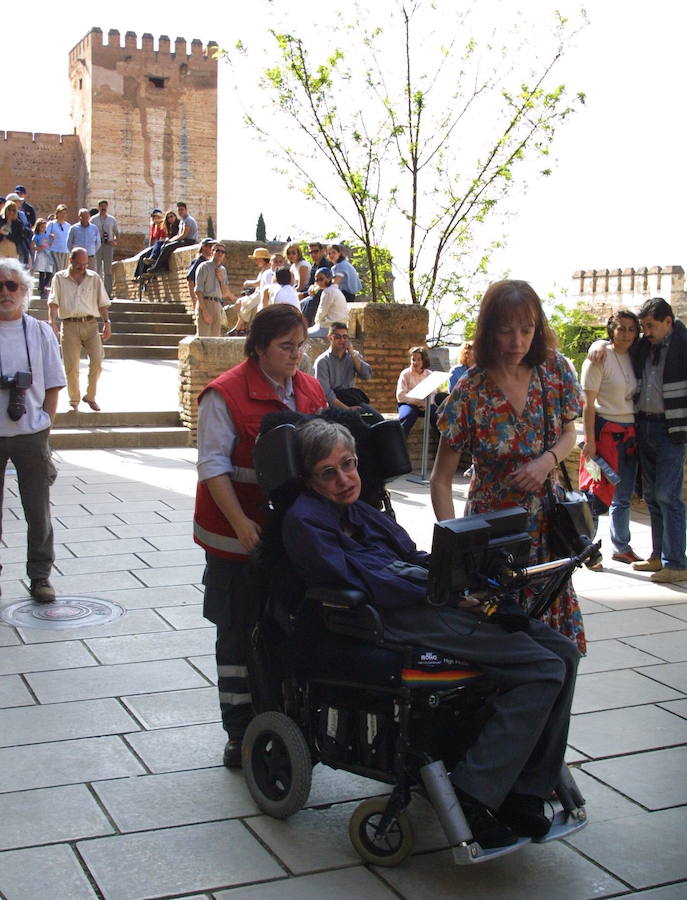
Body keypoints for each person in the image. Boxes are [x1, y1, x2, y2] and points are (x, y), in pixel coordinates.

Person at [282, 417, 579, 849]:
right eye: (329, 472)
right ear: (310, 480)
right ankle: (474, 793)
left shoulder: (360, 509)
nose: (345, 478)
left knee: (564, 652)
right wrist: (449, 594)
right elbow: (369, 581)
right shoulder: (304, 521)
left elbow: (410, 554)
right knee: (543, 668)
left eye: (349, 464)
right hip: (393, 615)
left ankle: (526, 789)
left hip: (430, 599)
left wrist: (467, 579)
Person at [193, 304, 327, 768]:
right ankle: (239, 730)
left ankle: (284, 718)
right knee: (236, 635)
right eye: (286, 347)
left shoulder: (310, 389)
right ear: (259, 348)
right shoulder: (224, 394)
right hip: (236, 541)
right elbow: (213, 465)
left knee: (284, 628)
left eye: (301, 345)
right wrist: (240, 523)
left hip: (291, 540)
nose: (297, 355)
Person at [430, 280, 586, 654]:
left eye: (527, 329)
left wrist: (546, 462)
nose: (518, 341)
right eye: (506, 330)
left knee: (556, 648)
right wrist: (457, 553)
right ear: (488, 331)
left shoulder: (554, 370)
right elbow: (440, 479)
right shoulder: (472, 390)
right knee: (501, 647)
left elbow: (570, 433)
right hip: (494, 535)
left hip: (549, 529)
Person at [588, 297, 687, 582]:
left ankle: (677, 563)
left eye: (649, 326)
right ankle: (658, 557)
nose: (644, 331)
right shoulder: (645, 346)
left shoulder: (683, 344)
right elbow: (615, 345)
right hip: (644, 428)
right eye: (642, 326)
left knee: (669, 497)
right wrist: (597, 344)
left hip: (672, 430)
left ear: (668, 322)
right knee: (654, 497)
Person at [0, 258, 66, 603]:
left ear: (25, 291)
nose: (5, 292)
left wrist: (45, 426)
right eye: (0, 286)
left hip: (31, 434)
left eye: (12, 285)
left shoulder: (39, 331)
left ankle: (40, 575)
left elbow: (55, 384)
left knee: (38, 509)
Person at [580, 310, 640, 566]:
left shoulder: (637, 356)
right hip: (604, 432)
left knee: (623, 496)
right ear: (611, 330)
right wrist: (590, 441)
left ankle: (621, 547)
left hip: (630, 434)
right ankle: (588, 551)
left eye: (631, 329)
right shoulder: (599, 357)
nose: (626, 334)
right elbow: (588, 405)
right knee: (596, 496)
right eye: (621, 328)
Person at [48, 248, 111, 411]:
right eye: (78, 265)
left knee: (97, 360)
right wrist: (52, 322)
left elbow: (102, 303)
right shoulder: (59, 278)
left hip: (90, 324)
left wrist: (107, 322)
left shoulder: (94, 278)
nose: (82, 268)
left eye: (85, 264)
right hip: (69, 325)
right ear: (70, 261)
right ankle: (74, 399)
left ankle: (90, 396)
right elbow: (53, 302)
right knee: (71, 365)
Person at [314, 322, 374, 413]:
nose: (342, 340)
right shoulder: (322, 362)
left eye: (345, 337)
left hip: (351, 399)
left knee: (376, 419)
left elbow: (367, 375)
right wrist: (347, 410)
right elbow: (326, 394)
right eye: (337, 337)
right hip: (333, 406)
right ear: (330, 337)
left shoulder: (353, 356)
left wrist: (353, 354)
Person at [396, 345, 441, 436]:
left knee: (439, 418)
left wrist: (426, 403)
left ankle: (442, 447)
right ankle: (399, 445)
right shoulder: (405, 374)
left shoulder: (430, 374)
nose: (415, 362)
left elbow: (434, 394)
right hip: (409, 404)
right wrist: (417, 402)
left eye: (419, 359)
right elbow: (400, 395)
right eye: (413, 359)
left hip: (427, 404)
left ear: (424, 360)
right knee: (407, 417)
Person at [228, 247, 273, 336]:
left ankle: (238, 328)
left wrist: (248, 282)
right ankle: (242, 327)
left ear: (263, 259)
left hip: (262, 295)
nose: (255, 261)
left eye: (257, 259)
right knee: (239, 303)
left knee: (247, 305)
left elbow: (260, 283)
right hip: (257, 293)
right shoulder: (263, 270)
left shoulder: (268, 271)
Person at [195, 243, 236, 337]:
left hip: (218, 305)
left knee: (215, 339)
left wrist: (221, 280)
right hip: (205, 303)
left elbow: (225, 293)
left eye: (223, 252)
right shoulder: (204, 267)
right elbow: (198, 291)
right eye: (218, 251)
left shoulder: (223, 270)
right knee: (203, 338)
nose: (220, 253)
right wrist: (204, 312)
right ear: (212, 252)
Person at [146, 202, 198, 273]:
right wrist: (170, 240)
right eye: (179, 210)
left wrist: (172, 241)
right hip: (184, 240)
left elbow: (184, 235)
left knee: (168, 247)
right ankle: (162, 266)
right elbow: (178, 234)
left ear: (186, 210)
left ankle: (156, 267)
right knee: (164, 246)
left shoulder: (188, 220)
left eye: (182, 209)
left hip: (189, 241)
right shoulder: (182, 221)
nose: (180, 211)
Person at [307, 267, 349, 337]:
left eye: (321, 279)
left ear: (329, 278)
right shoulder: (334, 290)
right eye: (316, 280)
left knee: (303, 336)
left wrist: (317, 322)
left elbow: (322, 312)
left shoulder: (328, 292)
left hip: (330, 328)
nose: (319, 282)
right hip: (337, 326)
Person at [92, 200, 120, 297]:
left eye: (105, 206)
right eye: (102, 206)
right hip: (97, 246)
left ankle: (108, 293)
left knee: (108, 270)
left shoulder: (112, 219)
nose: (103, 208)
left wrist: (114, 241)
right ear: (99, 207)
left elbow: (117, 233)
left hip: (108, 246)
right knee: (97, 269)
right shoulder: (93, 220)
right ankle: (96, 293)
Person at [186, 238, 216, 314]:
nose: (212, 249)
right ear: (203, 247)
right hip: (201, 299)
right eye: (210, 246)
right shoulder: (198, 262)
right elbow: (191, 280)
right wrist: (194, 300)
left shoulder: (210, 263)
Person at [31, 219, 54, 299]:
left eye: (45, 227)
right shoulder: (36, 236)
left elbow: (50, 245)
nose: (44, 228)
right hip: (40, 255)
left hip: (47, 255)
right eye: (42, 227)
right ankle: (42, 291)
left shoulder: (47, 235)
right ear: (38, 227)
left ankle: (42, 286)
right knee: (42, 273)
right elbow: (32, 247)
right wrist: (38, 248)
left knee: (49, 273)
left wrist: (52, 239)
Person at [46, 204, 71, 273]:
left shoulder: (68, 225)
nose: (63, 215)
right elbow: (45, 235)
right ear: (57, 213)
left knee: (64, 272)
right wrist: (50, 236)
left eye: (64, 213)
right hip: (54, 250)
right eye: (61, 213)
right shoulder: (51, 224)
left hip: (65, 251)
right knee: (57, 271)